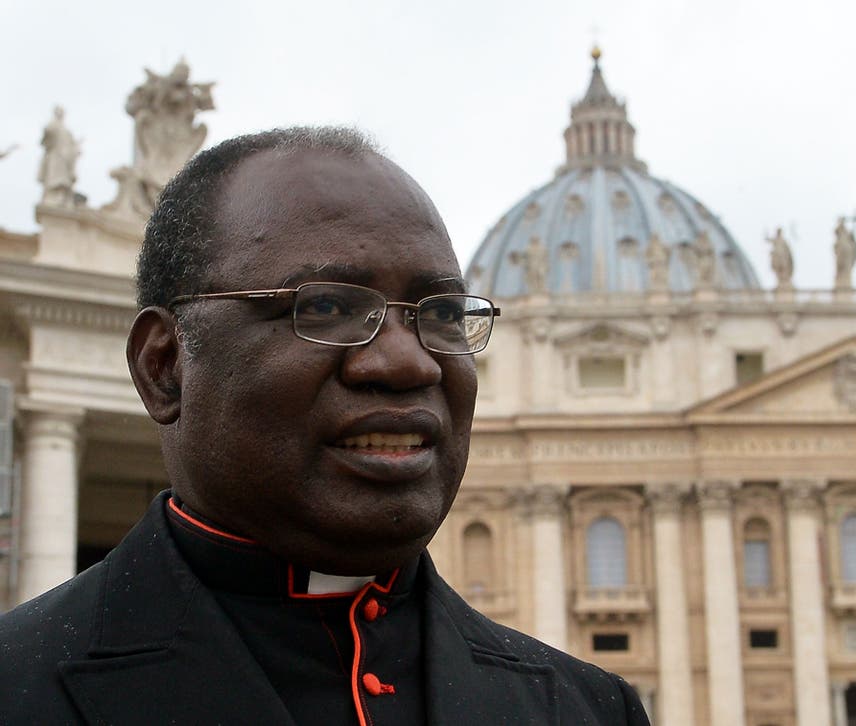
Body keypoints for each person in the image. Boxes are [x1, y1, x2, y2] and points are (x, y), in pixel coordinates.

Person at [0, 127, 649, 725]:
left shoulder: (589, 709)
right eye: (328, 305)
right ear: (165, 366)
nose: (407, 361)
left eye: (443, 313)